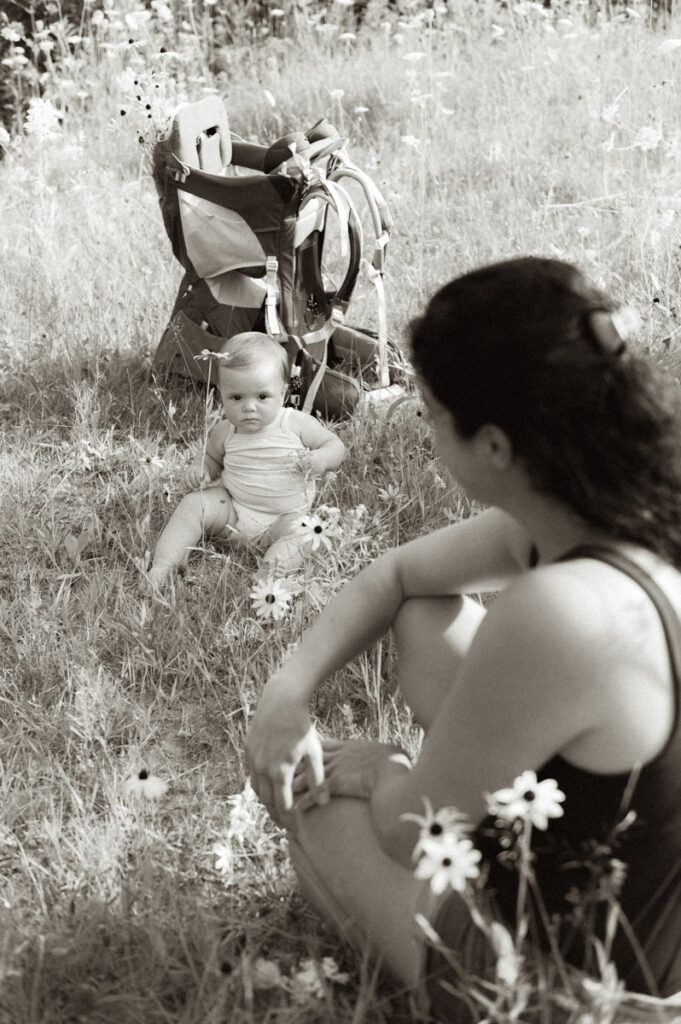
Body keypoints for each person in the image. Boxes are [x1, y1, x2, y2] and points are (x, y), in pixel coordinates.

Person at [246, 258, 681, 1019]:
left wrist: (386, 768)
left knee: (315, 814)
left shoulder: (558, 611)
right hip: (643, 891)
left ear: (493, 446)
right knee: (426, 611)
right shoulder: (610, 511)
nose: (426, 436)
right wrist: (288, 691)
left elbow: (414, 832)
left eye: (430, 417)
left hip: (588, 995)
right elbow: (398, 576)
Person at [147, 332, 346, 586]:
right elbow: (210, 456)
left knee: (305, 532)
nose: (249, 407)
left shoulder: (294, 424)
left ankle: (268, 578)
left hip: (283, 520)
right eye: (236, 397)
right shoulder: (225, 430)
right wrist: (201, 469)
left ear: (283, 392)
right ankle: (164, 566)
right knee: (193, 504)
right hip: (233, 513)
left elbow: (336, 446)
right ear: (222, 394)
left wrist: (321, 458)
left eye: (262, 397)